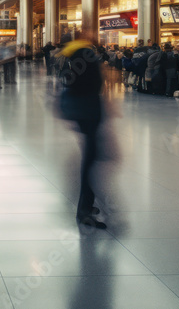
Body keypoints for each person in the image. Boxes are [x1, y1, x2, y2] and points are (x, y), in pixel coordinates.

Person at [55, 33, 107, 229]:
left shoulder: (73, 54)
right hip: (88, 113)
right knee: (90, 163)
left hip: (85, 113)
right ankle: (84, 210)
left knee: (91, 160)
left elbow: (70, 81)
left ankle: (87, 205)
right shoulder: (85, 54)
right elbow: (87, 83)